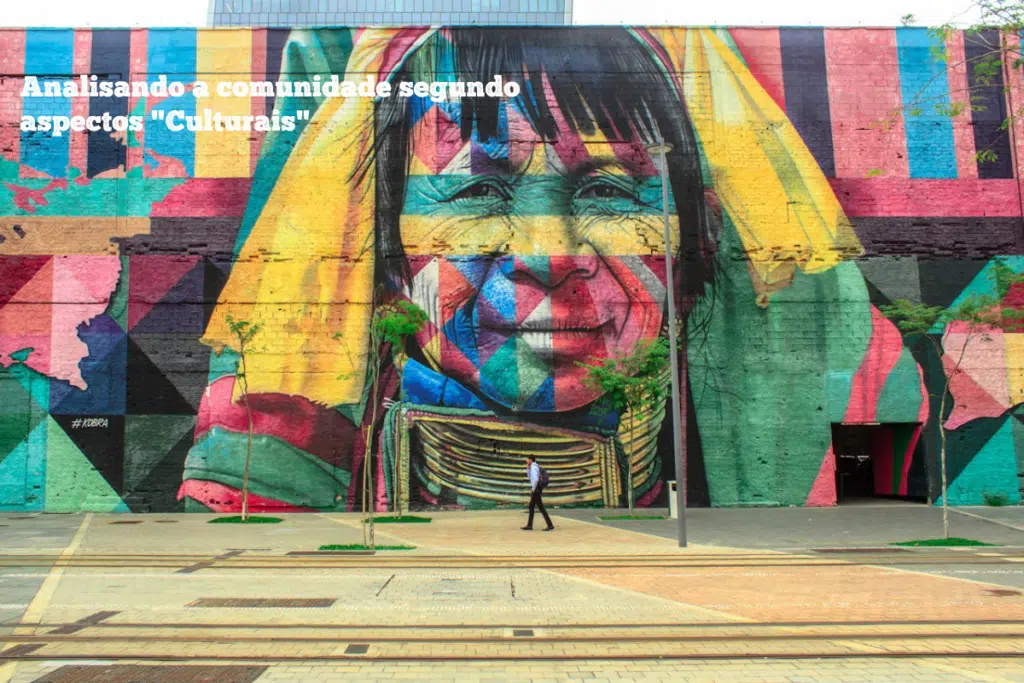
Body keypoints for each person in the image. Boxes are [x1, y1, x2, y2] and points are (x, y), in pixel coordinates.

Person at [181, 26, 924, 514]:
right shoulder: (276, 425)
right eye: (476, 191)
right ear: (382, 255)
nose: (548, 254)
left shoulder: (856, 377)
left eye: (609, 190)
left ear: (697, 249)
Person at [522, 456, 554, 531]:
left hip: (536, 489)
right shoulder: (532, 467)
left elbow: (535, 479)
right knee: (531, 507)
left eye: (527, 460)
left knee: (540, 507)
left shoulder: (534, 467)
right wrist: (527, 468)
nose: (526, 461)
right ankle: (529, 525)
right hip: (536, 488)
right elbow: (529, 477)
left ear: (530, 460)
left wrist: (533, 489)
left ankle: (550, 525)